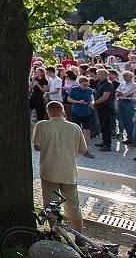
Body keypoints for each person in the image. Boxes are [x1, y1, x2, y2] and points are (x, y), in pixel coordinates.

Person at [32, 101, 88, 233]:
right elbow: (82, 150)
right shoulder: (75, 127)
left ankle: (55, 234)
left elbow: (37, 146)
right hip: (69, 171)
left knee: (51, 204)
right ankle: (80, 236)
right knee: (73, 205)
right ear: (63, 112)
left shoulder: (42, 125)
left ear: (48, 112)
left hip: (49, 170)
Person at [67, 76, 95, 158]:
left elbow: (92, 98)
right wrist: (78, 102)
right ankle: (74, 148)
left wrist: (92, 103)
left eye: (86, 85)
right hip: (76, 112)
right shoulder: (74, 89)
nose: (85, 86)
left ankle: (85, 150)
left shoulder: (89, 90)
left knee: (87, 132)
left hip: (87, 112)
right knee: (76, 131)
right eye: (84, 85)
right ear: (80, 84)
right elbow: (69, 99)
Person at [92, 70, 115, 152]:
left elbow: (105, 96)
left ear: (103, 75)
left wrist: (95, 102)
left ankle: (107, 145)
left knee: (106, 126)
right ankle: (104, 141)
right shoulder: (100, 83)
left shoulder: (108, 84)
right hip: (100, 107)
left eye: (98, 74)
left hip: (106, 107)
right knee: (102, 125)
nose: (97, 75)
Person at [115, 71, 135, 145]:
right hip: (121, 102)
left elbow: (126, 93)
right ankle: (129, 138)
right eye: (123, 75)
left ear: (131, 76)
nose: (123, 77)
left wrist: (121, 93)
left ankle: (133, 139)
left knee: (130, 121)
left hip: (128, 103)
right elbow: (117, 90)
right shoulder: (122, 83)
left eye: (125, 75)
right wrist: (121, 93)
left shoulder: (134, 85)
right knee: (123, 120)